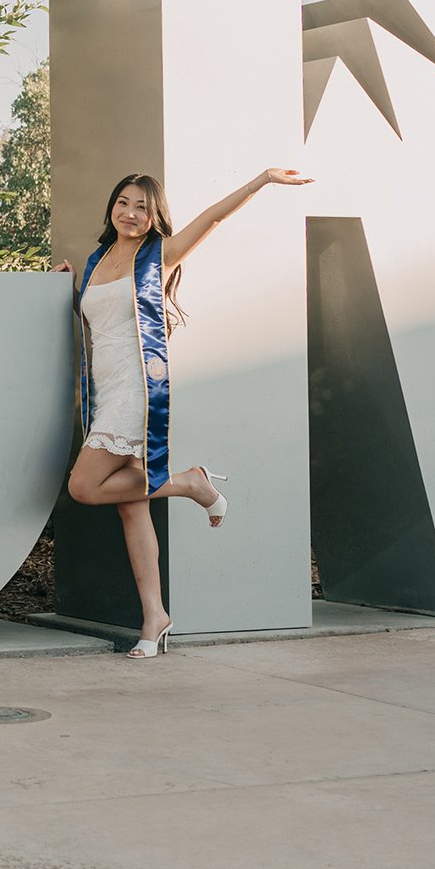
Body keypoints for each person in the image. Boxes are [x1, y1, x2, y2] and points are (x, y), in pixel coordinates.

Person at [58, 168, 311, 660]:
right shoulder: (95, 261)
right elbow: (100, 318)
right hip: (104, 389)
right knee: (132, 506)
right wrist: (67, 287)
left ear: (155, 217)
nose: (131, 214)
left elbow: (212, 219)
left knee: (84, 487)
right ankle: (154, 617)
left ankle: (192, 483)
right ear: (112, 206)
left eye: (142, 208)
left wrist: (261, 180)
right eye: (124, 203)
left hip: (136, 390)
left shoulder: (160, 256)